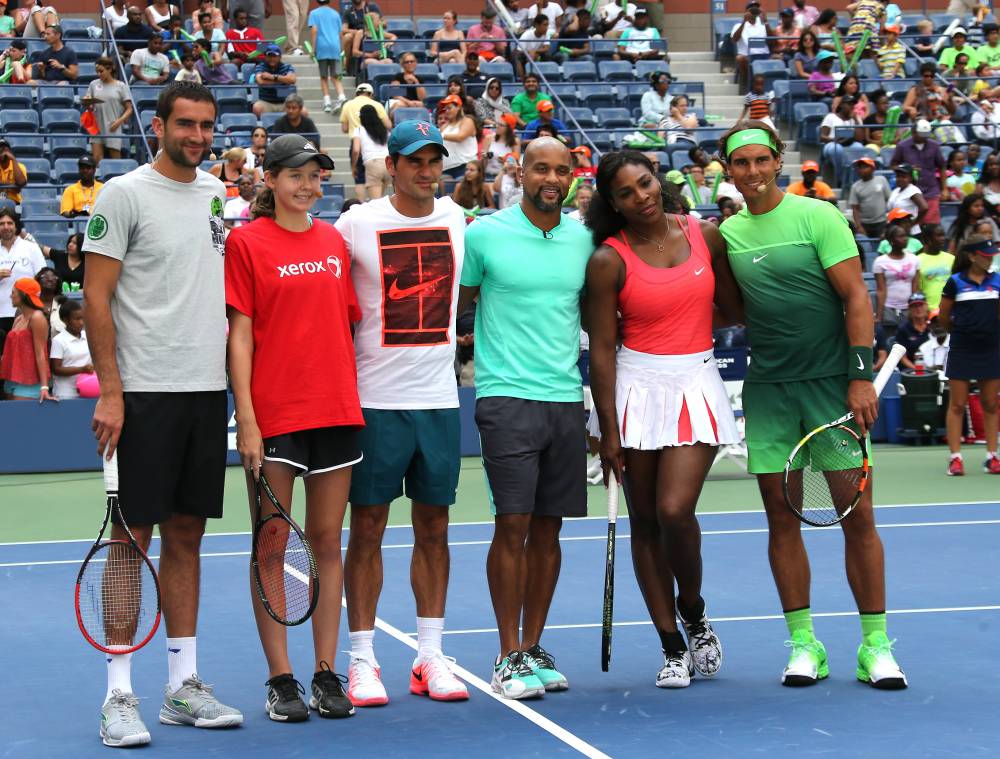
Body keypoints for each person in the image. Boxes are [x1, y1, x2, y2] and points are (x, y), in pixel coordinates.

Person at [718, 120, 908, 689]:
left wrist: (859, 378)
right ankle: (805, 645)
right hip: (771, 390)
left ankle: (875, 646)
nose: (751, 172)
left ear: (776, 161)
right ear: (728, 171)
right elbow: (731, 311)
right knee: (781, 517)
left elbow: (856, 297)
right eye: (740, 163)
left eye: (760, 160)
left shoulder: (818, 216)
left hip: (832, 388)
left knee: (858, 515)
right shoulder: (728, 234)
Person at [82, 81, 243, 747]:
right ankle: (119, 693)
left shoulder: (215, 194)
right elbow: (96, 297)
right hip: (142, 394)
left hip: (205, 393)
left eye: (206, 125)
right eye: (185, 124)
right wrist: (112, 392)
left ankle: (183, 684)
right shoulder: (122, 194)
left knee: (186, 536)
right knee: (130, 540)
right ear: (158, 124)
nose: (197, 136)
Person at [585, 149, 741, 688]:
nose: (641, 196)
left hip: (695, 381)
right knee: (645, 524)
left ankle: (693, 610)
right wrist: (608, 429)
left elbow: (736, 306)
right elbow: (602, 349)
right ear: (613, 203)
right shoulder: (608, 259)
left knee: (675, 511)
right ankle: (671, 645)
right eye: (626, 193)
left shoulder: (706, 234)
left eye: (645, 183)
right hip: (635, 387)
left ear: (660, 180)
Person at [336, 120, 470, 707]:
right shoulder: (355, 225)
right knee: (366, 530)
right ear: (391, 165)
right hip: (373, 405)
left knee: (434, 530)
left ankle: (430, 655)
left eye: (435, 160)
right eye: (415, 160)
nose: (427, 170)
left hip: (439, 401)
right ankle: (362, 659)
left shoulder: (459, 220)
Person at [225, 133, 359, 722]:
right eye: (296, 176)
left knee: (328, 543)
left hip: (337, 412)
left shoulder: (333, 241)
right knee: (273, 546)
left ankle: (327, 672)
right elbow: (240, 336)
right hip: (276, 417)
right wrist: (247, 420)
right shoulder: (246, 242)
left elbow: (342, 324)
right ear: (271, 181)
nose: (308, 186)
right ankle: (281, 679)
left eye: (316, 176)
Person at [457, 137, 592, 700]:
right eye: (541, 168)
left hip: (565, 399)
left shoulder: (585, 239)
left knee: (549, 529)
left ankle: (533, 646)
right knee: (511, 525)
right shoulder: (484, 234)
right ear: (521, 171)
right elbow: (460, 306)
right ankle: (506, 653)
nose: (551, 179)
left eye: (562, 170)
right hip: (505, 398)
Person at [938, 235, 1000, 475]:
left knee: (991, 403)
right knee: (957, 404)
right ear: (972, 257)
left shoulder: (997, 281)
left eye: (991, 255)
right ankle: (955, 458)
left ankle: (992, 457)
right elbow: (944, 317)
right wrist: (963, 332)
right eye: (985, 256)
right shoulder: (955, 282)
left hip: (991, 349)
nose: (989, 259)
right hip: (962, 349)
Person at [0, 278, 55, 402]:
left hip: (29, 380)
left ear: (23, 295)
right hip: (11, 378)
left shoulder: (37, 318)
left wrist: (44, 387)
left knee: (21, 419)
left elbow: (41, 353)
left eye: (13, 292)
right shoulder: (19, 318)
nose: (10, 296)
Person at [0, 208, 45, 342]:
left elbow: (42, 276)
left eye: (10, 223)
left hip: (26, 314)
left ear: (16, 225)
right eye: (1, 224)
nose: (6, 227)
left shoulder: (30, 247)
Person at [891, 120, 947, 224]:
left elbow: (942, 166)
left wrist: (944, 189)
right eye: (921, 135)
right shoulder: (902, 146)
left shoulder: (934, 146)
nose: (924, 137)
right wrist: (907, 169)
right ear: (913, 132)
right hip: (910, 193)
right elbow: (893, 165)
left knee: (931, 225)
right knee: (910, 224)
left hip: (930, 190)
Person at [86, 57, 134, 165]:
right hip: (96, 126)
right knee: (97, 159)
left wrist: (119, 122)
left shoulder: (121, 86)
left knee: (115, 158)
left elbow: (129, 109)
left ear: (110, 69)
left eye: (101, 71)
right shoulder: (93, 84)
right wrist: (88, 104)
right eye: (97, 71)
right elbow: (89, 105)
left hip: (113, 125)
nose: (99, 74)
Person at [874, 224, 920, 335]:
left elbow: (915, 286)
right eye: (900, 236)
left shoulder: (914, 259)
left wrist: (915, 309)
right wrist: (879, 316)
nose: (905, 239)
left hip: (909, 307)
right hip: (889, 308)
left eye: (905, 236)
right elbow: (881, 289)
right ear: (891, 240)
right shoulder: (880, 261)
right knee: (890, 341)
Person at [49, 300, 92, 399]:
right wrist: (82, 369)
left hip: (88, 391)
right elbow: (56, 369)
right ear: (65, 320)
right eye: (77, 319)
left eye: (82, 318)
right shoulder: (58, 341)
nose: (81, 322)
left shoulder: (88, 336)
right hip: (65, 393)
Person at [308, 0, 345, 114]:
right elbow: (340, 33)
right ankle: (342, 97)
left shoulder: (314, 13)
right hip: (335, 47)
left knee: (323, 77)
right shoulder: (335, 13)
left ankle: (327, 102)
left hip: (322, 47)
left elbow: (314, 30)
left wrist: (313, 49)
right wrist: (342, 48)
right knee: (335, 76)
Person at [820, 96, 864, 185]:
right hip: (832, 144)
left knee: (859, 147)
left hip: (849, 144)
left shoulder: (855, 119)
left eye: (853, 104)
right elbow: (822, 137)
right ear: (842, 105)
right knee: (837, 149)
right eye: (849, 104)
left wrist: (855, 120)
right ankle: (841, 178)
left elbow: (860, 138)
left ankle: (855, 179)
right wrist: (834, 139)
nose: (851, 106)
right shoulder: (831, 117)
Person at [351, 103, 390, 199]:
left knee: (376, 202)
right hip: (388, 164)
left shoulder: (359, 130)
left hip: (373, 163)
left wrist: (353, 167)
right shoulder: (385, 130)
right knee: (380, 199)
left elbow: (356, 150)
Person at [731, 0, 770, 91]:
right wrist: (744, 22)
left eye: (756, 8)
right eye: (751, 9)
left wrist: (766, 22)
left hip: (763, 54)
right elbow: (734, 40)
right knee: (740, 58)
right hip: (747, 56)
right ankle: (746, 84)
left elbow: (772, 41)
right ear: (746, 12)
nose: (754, 11)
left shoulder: (763, 24)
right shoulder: (738, 25)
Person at [849, 157, 890, 238]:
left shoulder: (882, 180)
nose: (861, 170)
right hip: (864, 224)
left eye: (864, 167)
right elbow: (855, 208)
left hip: (881, 222)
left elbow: (889, 200)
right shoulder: (855, 187)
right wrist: (859, 226)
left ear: (872, 168)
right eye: (859, 168)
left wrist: (888, 222)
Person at [917, 224, 956, 309]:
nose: (943, 239)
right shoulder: (917, 260)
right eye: (938, 235)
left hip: (949, 310)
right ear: (928, 239)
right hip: (928, 311)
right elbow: (917, 290)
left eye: (943, 235)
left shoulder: (951, 259)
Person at [439, 94, 478, 179]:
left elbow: (460, 137)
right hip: (446, 168)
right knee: (445, 191)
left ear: (458, 107)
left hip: (465, 166)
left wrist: (439, 135)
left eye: (449, 108)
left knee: (462, 190)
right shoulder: (444, 126)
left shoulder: (467, 121)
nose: (447, 111)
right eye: (445, 109)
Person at [252, 46, 298, 118]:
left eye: (274, 56)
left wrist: (272, 77)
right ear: (265, 57)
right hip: (266, 102)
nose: (272, 59)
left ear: (279, 57)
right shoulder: (260, 67)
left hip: (284, 102)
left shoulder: (287, 67)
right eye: (269, 56)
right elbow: (260, 81)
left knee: (303, 111)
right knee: (257, 107)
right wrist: (283, 81)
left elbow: (292, 80)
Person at [894, 292, 932, 369]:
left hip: (932, 368)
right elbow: (902, 357)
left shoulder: (934, 326)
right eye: (914, 306)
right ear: (909, 309)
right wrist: (917, 370)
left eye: (921, 305)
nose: (918, 309)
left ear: (926, 306)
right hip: (911, 371)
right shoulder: (903, 329)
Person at [887, 165, 926, 232]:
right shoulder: (895, 191)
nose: (900, 179)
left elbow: (924, 208)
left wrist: (913, 223)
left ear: (910, 178)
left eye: (903, 177)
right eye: (898, 176)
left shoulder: (913, 190)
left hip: (911, 232)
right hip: (896, 231)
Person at [516, 13, 554, 79]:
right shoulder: (526, 35)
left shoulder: (546, 33)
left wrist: (534, 51)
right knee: (518, 57)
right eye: (544, 25)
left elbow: (546, 48)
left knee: (547, 55)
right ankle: (522, 79)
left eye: (547, 25)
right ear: (537, 25)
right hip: (524, 54)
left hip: (536, 53)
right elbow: (519, 51)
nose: (546, 27)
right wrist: (529, 53)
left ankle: (547, 77)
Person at [0, 140, 27, 207]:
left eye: (4, 149)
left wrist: (13, 159)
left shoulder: (20, 166)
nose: (2, 152)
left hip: (14, 203)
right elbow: (16, 187)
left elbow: (21, 183)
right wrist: (11, 185)